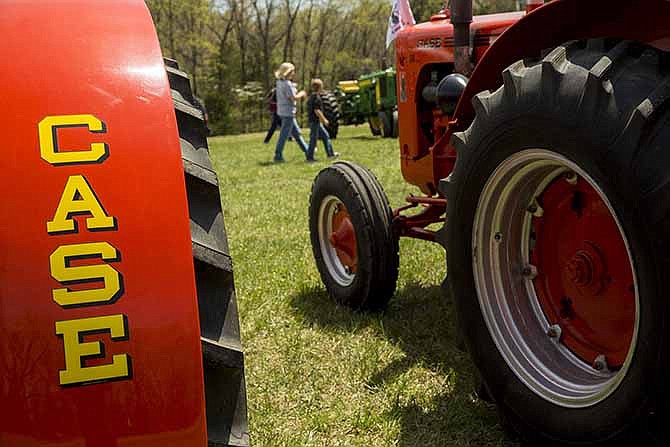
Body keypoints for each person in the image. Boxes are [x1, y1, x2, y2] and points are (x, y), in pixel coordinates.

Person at [273, 62, 309, 162]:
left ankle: (307, 151)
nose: (293, 73)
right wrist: (301, 94)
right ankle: (278, 155)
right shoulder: (287, 84)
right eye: (292, 71)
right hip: (288, 112)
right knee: (284, 135)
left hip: (282, 111)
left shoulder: (279, 82)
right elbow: (293, 98)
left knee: (297, 133)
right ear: (288, 72)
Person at [306, 79, 338, 162]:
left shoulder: (311, 97)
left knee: (325, 136)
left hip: (314, 121)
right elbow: (317, 111)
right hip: (315, 122)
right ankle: (310, 157)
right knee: (313, 139)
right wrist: (324, 120)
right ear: (320, 87)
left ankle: (330, 154)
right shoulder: (316, 98)